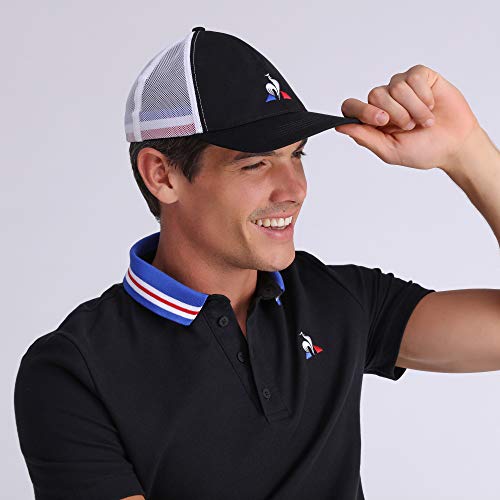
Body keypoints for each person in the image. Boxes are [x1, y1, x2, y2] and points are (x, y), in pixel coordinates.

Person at [14, 27, 500, 500]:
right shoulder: (72, 372)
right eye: (255, 163)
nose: (294, 189)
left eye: (297, 155)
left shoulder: (339, 299)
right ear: (161, 175)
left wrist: (467, 150)